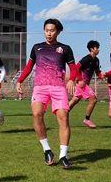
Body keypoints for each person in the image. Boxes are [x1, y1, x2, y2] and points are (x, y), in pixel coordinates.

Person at [16, 19, 78, 168]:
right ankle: (47, 150)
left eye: (52, 30)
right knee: (36, 114)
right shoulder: (37, 47)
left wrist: (71, 80)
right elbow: (29, 67)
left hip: (58, 88)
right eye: (46, 30)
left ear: (58, 31)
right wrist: (19, 81)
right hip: (40, 87)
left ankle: (63, 155)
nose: (49, 33)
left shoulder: (65, 49)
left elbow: (73, 68)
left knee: (63, 118)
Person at [68, 40, 102, 129]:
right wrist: (80, 79)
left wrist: (103, 75)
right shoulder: (86, 58)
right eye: (97, 48)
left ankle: (62, 114)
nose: (98, 50)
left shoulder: (96, 60)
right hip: (82, 84)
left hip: (84, 84)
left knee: (75, 100)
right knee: (93, 99)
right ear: (92, 49)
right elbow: (76, 67)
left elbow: (97, 72)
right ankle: (87, 119)